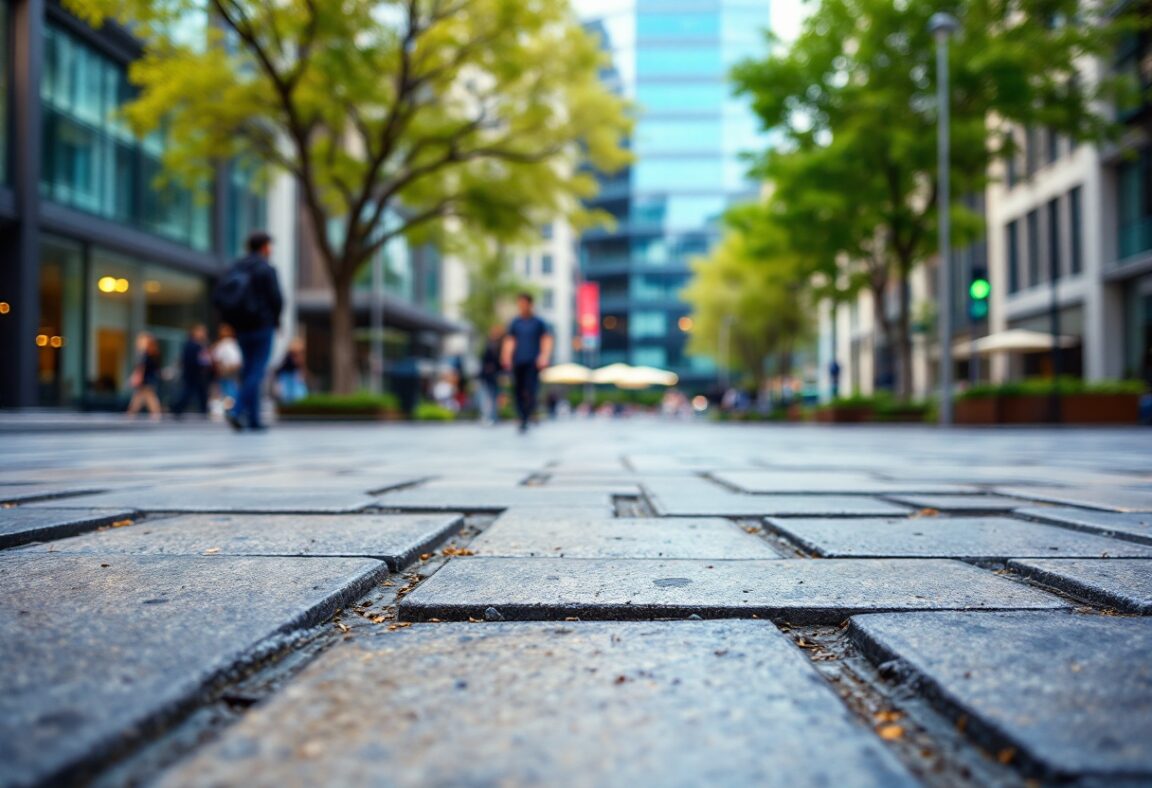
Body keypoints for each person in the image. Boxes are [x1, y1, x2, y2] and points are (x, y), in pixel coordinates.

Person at [213, 230, 283, 432]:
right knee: (256, 371)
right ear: (264, 247)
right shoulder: (266, 269)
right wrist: (276, 320)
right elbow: (276, 299)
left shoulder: (236, 267)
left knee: (249, 371)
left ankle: (253, 419)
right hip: (262, 325)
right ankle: (237, 410)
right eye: (270, 246)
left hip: (241, 327)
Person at [501, 293, 553, 433]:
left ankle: (527, 415)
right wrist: (506, 357)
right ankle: (522, 417)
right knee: (517, 390)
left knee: (530, 390)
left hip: (533, 362)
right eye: (520, 304)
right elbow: (510, 341)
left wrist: (544, 356)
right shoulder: (515, 323)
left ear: (530, 304)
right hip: (518, 361)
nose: (522, 306)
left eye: (524, 303)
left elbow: (546, 340)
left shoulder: (538, 322)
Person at [172, 324, 213, 418]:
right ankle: (178, 407)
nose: (203, 334)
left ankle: (202, 409)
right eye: (201, 332)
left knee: (198, 392)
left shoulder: (197, 344)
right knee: (190, 391)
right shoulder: (193, 345)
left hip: (195, 372)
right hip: (193, 372)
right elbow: (198, 360)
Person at [125, 332, 162, 421]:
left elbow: (141, 368)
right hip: (150, 379)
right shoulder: (153, 353)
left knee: (147, 397)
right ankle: (132, 414)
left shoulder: (145, 354)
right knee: (142, 397)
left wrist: (137, 378)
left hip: (146, 379)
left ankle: (155, 414)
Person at [478, 325, 504, 425]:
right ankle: (489, 416)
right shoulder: (489, 343)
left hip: (493, 374)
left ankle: (492, 416)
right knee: (487, 395)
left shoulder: (498, 345)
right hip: (487, 374)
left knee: (493, 395)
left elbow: (498, 361)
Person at [275, 338, 310, 403]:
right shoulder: (289, 358)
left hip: (292, 376)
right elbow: (281, 369)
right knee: (288, 394)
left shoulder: (297, 357)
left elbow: (301, 368)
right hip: (287, 376)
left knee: (297, 392)